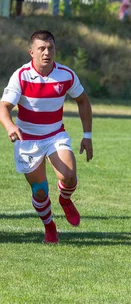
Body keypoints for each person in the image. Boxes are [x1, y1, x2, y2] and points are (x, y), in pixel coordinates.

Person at [0, 30, 93, 244]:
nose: (46, 52)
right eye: (41, 48)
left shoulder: (66, 75)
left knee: (69, 176)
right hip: (27, 140)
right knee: (40, 192)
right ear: (31, 52)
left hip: (54, 134)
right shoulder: (21, 75)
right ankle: (49, 226)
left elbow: (83, 101)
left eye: (50, 48)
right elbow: (4, 107)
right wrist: (10, 125)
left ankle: (65, 200)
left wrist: (87, 135)